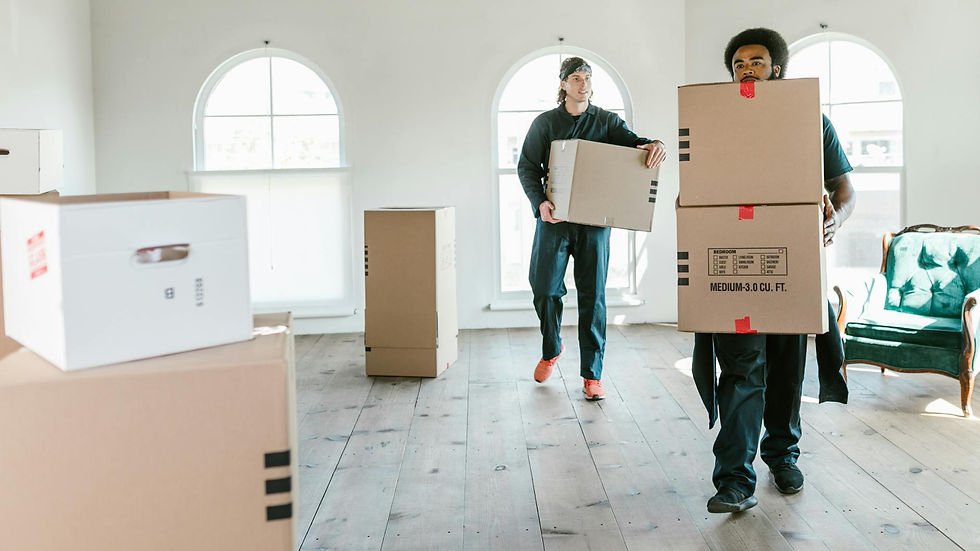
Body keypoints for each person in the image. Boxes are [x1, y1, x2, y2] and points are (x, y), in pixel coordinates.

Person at [693, 28, 856, 514]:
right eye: (739, 63)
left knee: (786, 372)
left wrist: (834, 219)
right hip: (733, 268)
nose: (747, 68)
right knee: (741, 371)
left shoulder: (811, 121)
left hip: (792, 267)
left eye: (757, 61)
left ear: (777, 68)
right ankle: (734, 481)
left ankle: (783, 457)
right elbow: (697, 193)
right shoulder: (714, 125)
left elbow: (845, 192)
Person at [517, 57, 666, 401]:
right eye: (575, 78)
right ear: (563, 85)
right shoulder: (545, 123)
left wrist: (655, 144)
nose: (583, 83)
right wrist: (540, 203)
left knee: (593, 298)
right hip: (554, 220)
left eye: (587, 77)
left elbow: (635, 144)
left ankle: (592, 375)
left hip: (595, 224)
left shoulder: (607, 121)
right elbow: (526, 166)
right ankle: (552, 348)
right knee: (544, 288)